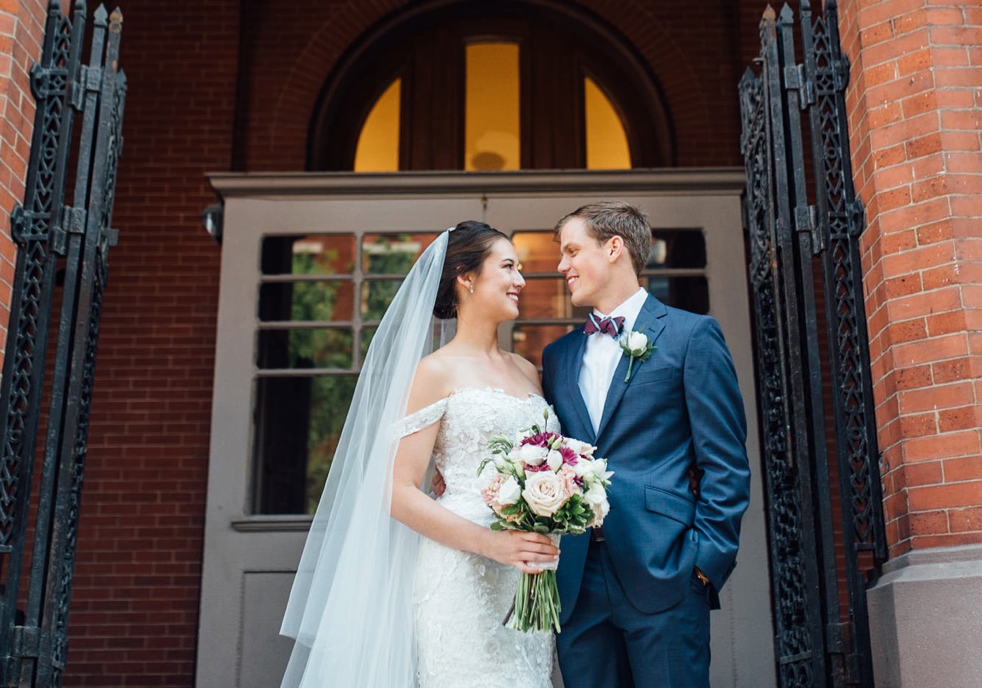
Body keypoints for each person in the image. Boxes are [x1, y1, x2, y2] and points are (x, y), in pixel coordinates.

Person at [279, 222, 560, 688]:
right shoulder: (434, 371)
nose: (521, 281)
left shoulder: (528, 370)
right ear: (466, 278)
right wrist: (492, 543)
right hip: (463, 569)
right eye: (508, 267)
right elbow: (395, 491)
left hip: (527, 575)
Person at [542, 201, 751, 688]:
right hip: (578, 578)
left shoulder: (690, 335)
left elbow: (725, 461)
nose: (561, 266)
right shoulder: (558, 356)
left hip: (667, 569)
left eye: (572, 251)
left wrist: (703, 565)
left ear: (614, 247)